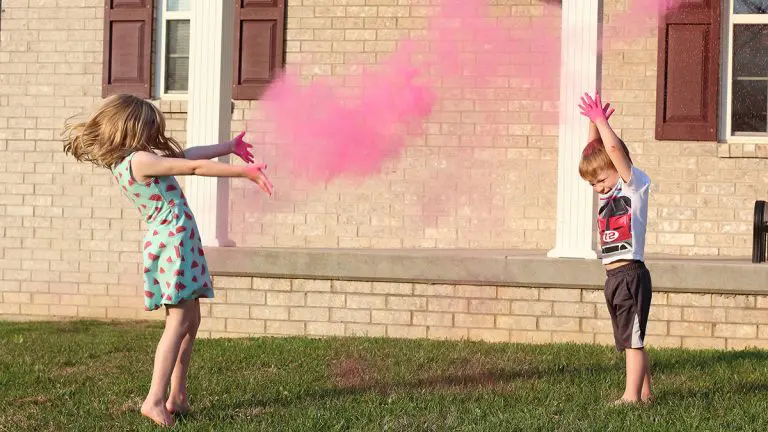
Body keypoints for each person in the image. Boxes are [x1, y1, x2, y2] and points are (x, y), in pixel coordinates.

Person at [63, 94, 272, 426]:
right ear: (134, 128)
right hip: (174, 245)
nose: (155, 134)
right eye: (151, 127)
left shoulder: (133, 161)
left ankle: (178, 396)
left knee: (192, 320)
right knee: (177, 322)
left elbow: (187, 155)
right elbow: (191, 166)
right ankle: (154, 399)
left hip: (178, 243)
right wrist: (242, 172)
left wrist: (229, 146)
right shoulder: (139, 161)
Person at [578, 92, 653, 405]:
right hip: (614, 278)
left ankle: (631, 397)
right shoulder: (608, 194)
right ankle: (646, 393)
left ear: (619, 167)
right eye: (593, 184)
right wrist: (591, 126)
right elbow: (597, 152)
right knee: (629, 337)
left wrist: (602, 122)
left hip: (630, 275)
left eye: (602, 179)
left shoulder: (633, 185)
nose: (599, 187)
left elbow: (611, 150)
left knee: (632, 341)